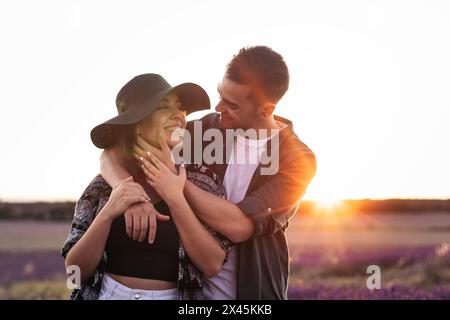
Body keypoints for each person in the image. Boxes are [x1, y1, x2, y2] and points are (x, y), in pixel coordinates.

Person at [101, 46, 317, 299]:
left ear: (266, 110)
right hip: (192, 293)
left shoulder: (298, 160)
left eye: (232, 104)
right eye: (220, 95)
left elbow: (239, 226)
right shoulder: (202, 131)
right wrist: (128, 193)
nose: (218, 106)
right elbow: (113, 153)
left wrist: (175, 183)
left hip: (252, 295)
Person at [61, 73, 232, 300]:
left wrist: (175, 198)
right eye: (163, 107)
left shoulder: (202, 180)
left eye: (180, 108)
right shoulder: (103, 186)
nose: (179, 116)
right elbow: (75, 272)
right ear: (137, 125)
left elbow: (212, 264)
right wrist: (109, 211)